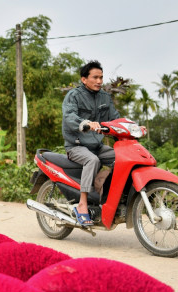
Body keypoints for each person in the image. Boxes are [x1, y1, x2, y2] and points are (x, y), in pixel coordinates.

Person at [62, 60, 119, 226]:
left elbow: (115, 118)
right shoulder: (74, 96)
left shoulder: (104, 97)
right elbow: (70, 117)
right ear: (84, 79)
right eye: (95, 77)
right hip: (76, 145)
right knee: (92, 160)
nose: (99, 81)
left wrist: (132, 126)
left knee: (121, 157)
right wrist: (86, 123)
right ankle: (82, 205)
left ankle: (104, 189)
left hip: (97, 146)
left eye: (101, 77)